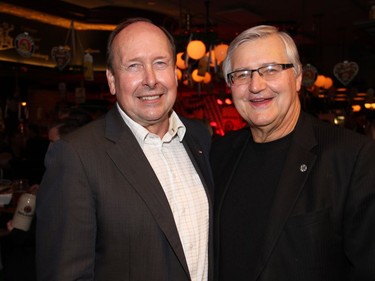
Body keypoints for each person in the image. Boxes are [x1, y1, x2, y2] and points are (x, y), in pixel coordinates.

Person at [36, 18, 214, 281]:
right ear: (111, 79)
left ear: (175, 72)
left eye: (160, 63)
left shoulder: (200, 137)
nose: (150, 80)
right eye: (134, 66)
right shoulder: (76, 156)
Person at [210, 25, 375, 281]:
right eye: (242, 74)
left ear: (297, 77)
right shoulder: (219, 152)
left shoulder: (353, 157)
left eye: (271, 70)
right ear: (230, 85)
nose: (256, 85)